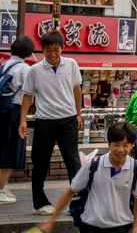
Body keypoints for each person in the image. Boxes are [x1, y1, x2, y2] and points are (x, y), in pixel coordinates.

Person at [35, 121, 137, 233]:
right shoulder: (93, 166)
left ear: (133, 144)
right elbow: (70, 191)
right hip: (91, 226)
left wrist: (136, 229)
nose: (120, 150)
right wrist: (51, 221)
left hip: (120, 227)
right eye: (116, 145)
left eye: (125, 145)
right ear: (108, 143)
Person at [20, 31, 84, 214]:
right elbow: (27, 96)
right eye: (48, 51)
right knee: (40, 162)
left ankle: (81, 199)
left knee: (73, 161)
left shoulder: (71, 64)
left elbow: (77, 89)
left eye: (56, 50)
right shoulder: (35, 70)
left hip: (68, 120)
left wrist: (78, 114)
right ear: (42, 50)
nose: (52, 54)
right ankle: (39, 203)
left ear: (62, 49)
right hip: (44, 121)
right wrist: (22, 120)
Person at [0, 36, 33, 204]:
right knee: (9, 150)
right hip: (13, 111)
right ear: (29, 52)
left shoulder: (4, 64)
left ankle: (2, 186)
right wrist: (23, 119)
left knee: (2, 148)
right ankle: (0, 191)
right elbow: (29, 93)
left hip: (2, 109)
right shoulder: (25, 69)